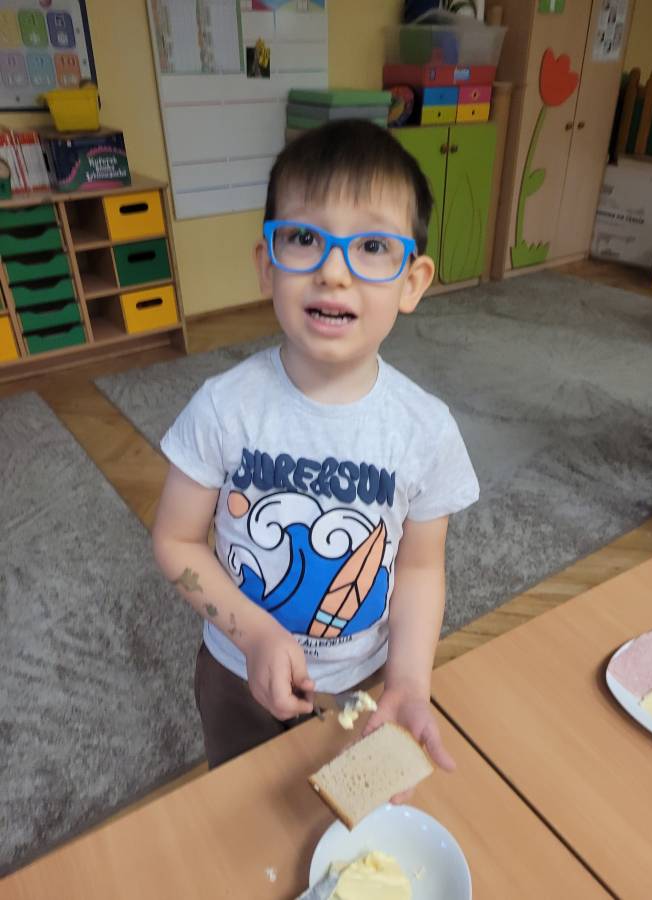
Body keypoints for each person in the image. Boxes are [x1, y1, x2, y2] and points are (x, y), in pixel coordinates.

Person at [152, 120, 479, 791]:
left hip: (363, 679)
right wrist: (253, 635)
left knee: (347, 809)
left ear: (412, 282)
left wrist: (409, 681)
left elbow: (419, 569)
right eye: (303, 238)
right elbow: (176, 541)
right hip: (236, 670)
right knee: (240, 804)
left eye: (372, 246)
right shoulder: (224, 408)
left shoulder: (425, 430)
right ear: (267, 265)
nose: (333, 271)